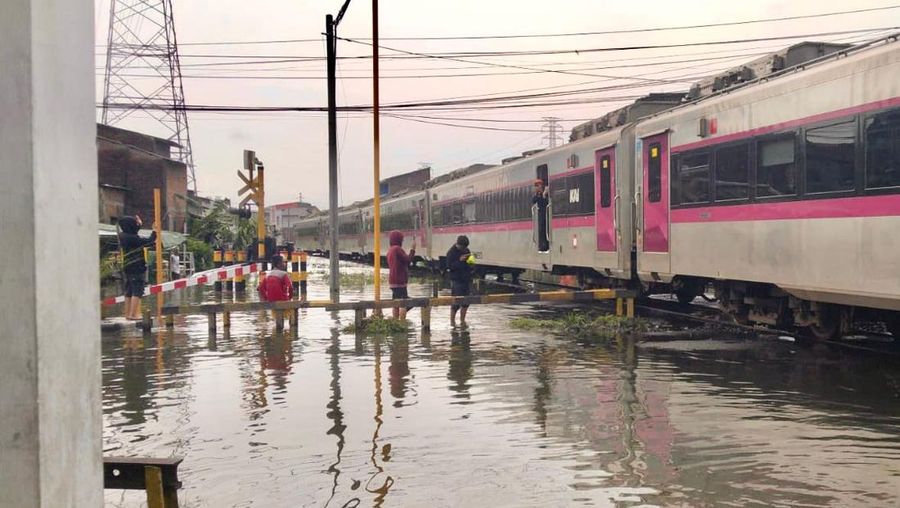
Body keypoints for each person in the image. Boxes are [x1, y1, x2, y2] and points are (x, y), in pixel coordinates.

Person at [117, 215, 157, 320]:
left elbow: (134, 231)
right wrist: (155, 231)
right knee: (137, 290)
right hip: (136, 267)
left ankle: (128, 314)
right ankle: (133, 314)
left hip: (127, 267)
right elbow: (149, 241)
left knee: (129, 291)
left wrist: (139, 224)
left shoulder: (123, 236)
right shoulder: (132, 238)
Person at [386, 230, 416, 319]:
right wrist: (413, 249)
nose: (402, 242)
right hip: (400, 281)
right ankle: (402, 322)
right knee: (404, 303)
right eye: (402, 240)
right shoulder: (397, 249)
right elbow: (408, 260)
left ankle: (396, 321)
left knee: (396, 303)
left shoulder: (390, 250)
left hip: (392, 282)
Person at [446, 235, 473, 326]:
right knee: (456, 302)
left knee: (466, 302)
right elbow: (450, 267)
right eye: (463, 247)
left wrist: (471, 260)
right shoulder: (451, 253)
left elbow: (471, 264)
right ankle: (452, 321)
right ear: (459, 245)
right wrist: (460, 260)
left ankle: (462, 321)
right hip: (456, 280)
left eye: (465, 247)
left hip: (466, 279)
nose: (464, 249)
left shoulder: (466, 251)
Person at [533, 179, 550, 252]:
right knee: (541, 230)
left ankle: (546, 245)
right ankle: (542, 245)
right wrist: (541, 195)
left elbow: (546, 202)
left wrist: (544, 194)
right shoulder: (537, 194)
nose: (537, 187)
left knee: (545, 229)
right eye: (536, 185)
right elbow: (534, 200)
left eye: (538, 185)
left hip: (546, 213)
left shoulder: (546, 193)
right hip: (541, 214)